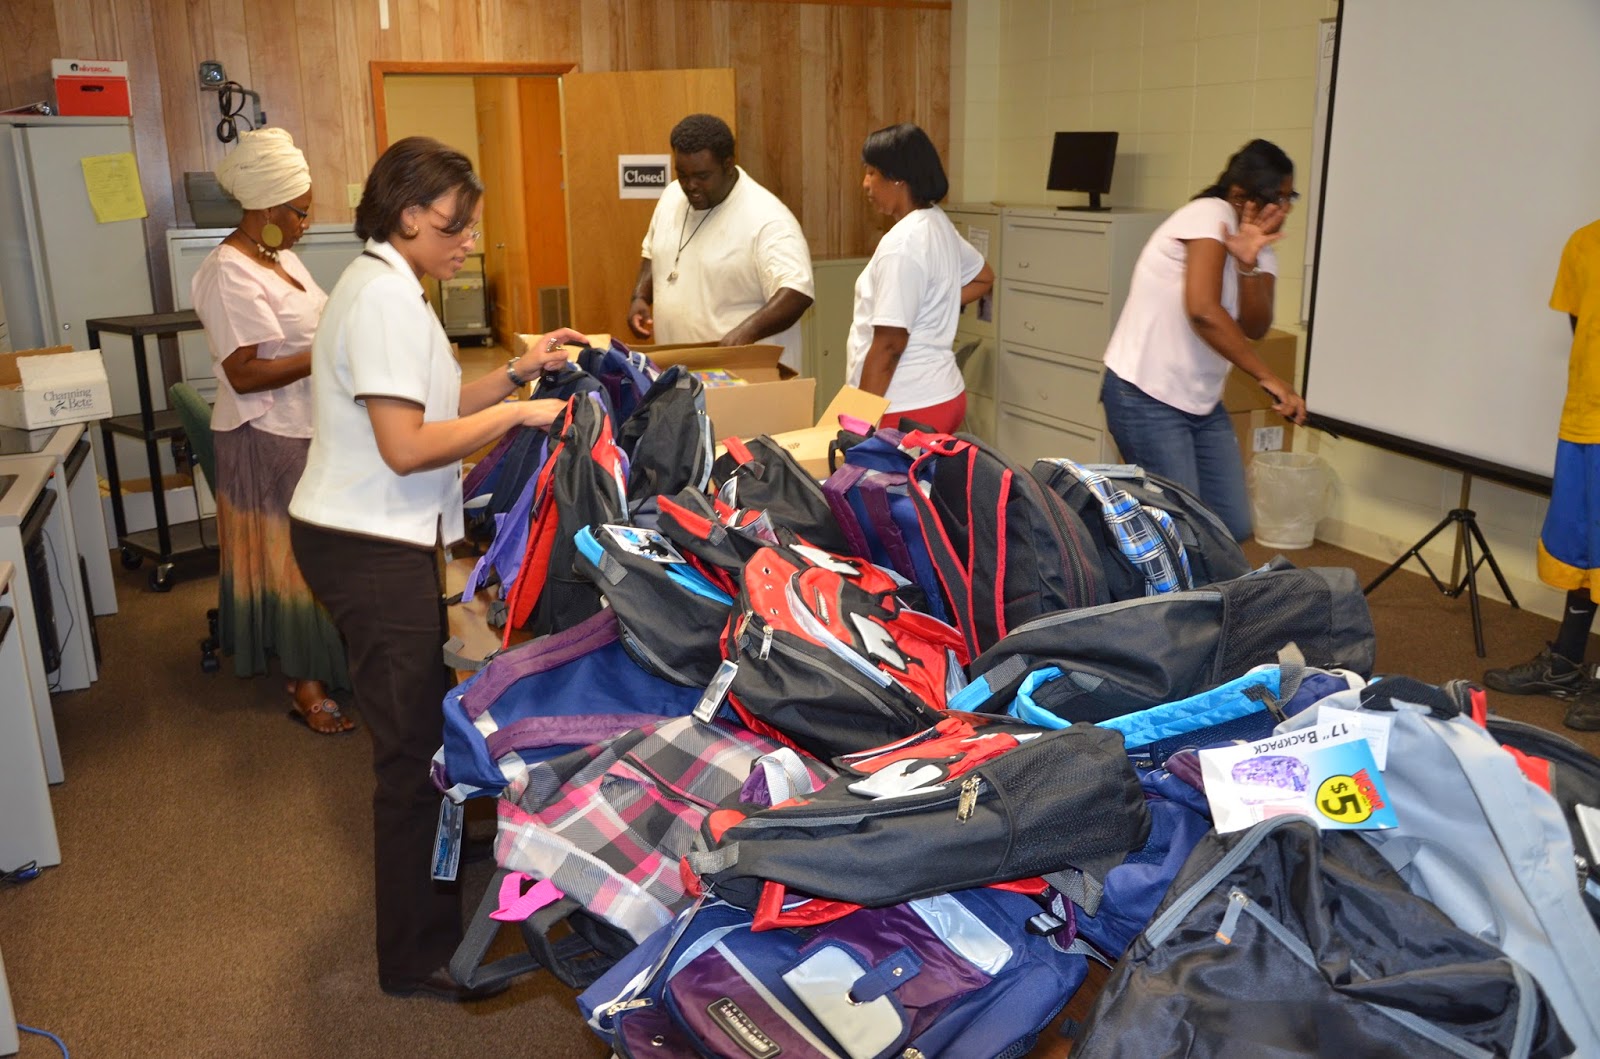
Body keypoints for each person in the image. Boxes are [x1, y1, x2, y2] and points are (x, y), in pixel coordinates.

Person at [287, 136, 587, 1000]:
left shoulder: (387, 283)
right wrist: (520, 416)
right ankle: (414, 954)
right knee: (411, 755)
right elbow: (409, 443)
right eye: (456, 225)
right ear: (411, 214)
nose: (468, 241)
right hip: (364, 541)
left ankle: (430, 907)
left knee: (419, 736)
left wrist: (517, 374)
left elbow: (433, 403)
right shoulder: (384, 298)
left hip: (371, 534)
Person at [191, 128, 352, 734]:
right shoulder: (228, 273)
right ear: (265, 208)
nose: (307, 223)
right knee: (296, 559)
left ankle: (321, 656)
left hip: (304, 424)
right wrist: (329, 350)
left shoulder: (279, 258)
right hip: (265, 434)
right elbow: (245, 372)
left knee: (318, 550)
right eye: (300, 212)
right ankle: (306, 683)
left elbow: (318, 322)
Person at [1099, 139, 1308, 541]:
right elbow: (1203, 310)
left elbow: (1256, 326)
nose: (1283, 210)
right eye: (1275, 198)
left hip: (1200, 403)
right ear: (1240, 195)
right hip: (1145, 394)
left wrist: (1248, 265)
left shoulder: (1259, 245)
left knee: (1232, 526)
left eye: (1289, 198)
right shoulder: (1207, 215)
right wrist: (1268, 377)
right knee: (1181, 530)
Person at [1483, 218, 1600, 730]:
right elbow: (1582, 327)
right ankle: (1566, 664)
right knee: (1581, 550)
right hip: (1585, 419)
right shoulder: (1585, 242)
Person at [627, 114, 814, 370]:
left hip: (743, 374)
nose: (690, 185)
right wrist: (640, 296)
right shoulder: (672, 196)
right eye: (682, 174)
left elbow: (797, 292)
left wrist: (745, 333)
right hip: (679, 373)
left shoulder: (768, 218)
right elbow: (652, 252)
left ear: (728, 164)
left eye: (702, 176)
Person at [846, 123, 995, 434]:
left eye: (872, 173)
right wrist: (931, 306)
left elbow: (889, 346)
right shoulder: (936, 222)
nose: (865, 184)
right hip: (944, 395)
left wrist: (857, 424)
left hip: (904, 405)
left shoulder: (902, 244)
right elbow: (983, 278)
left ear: (898, 178)